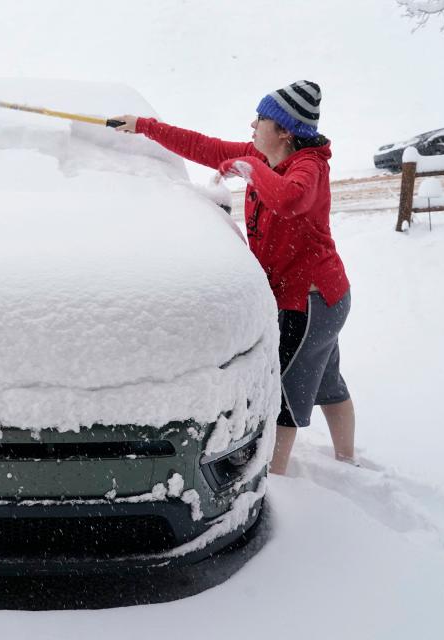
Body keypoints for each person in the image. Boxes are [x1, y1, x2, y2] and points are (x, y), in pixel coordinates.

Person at [112, 80, 355, 475]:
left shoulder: (308, 168)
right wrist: (143, 125)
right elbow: (203, 147)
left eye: (260, 119)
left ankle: (278, 481)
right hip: (324, 298)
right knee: (328, 382)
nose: (252, 125)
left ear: (284, 131)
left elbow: (289, 199)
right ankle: (349, 459)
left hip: (309, 303)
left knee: (287, 400)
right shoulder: (260, 154)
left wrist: (249, 168)